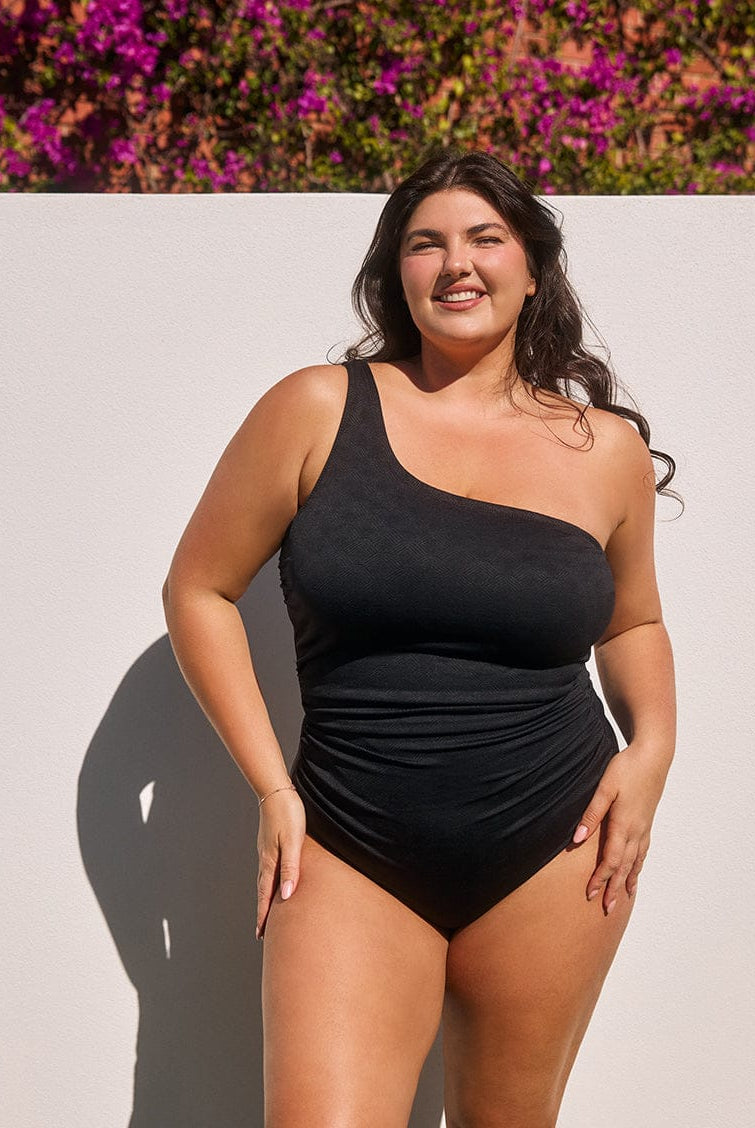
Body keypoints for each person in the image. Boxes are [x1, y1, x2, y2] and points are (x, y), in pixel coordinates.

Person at [162, 150, 677, 1127]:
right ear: (394, 274)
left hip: (555, 847)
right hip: (349, 843)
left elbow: (633, 618)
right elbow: (198, 588)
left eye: (485, 239)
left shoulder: (598, 449)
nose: (456, 264)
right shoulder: (317, 408)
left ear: (531, 267)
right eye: (424, 243)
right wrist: (271, 787)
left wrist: (650, 749)